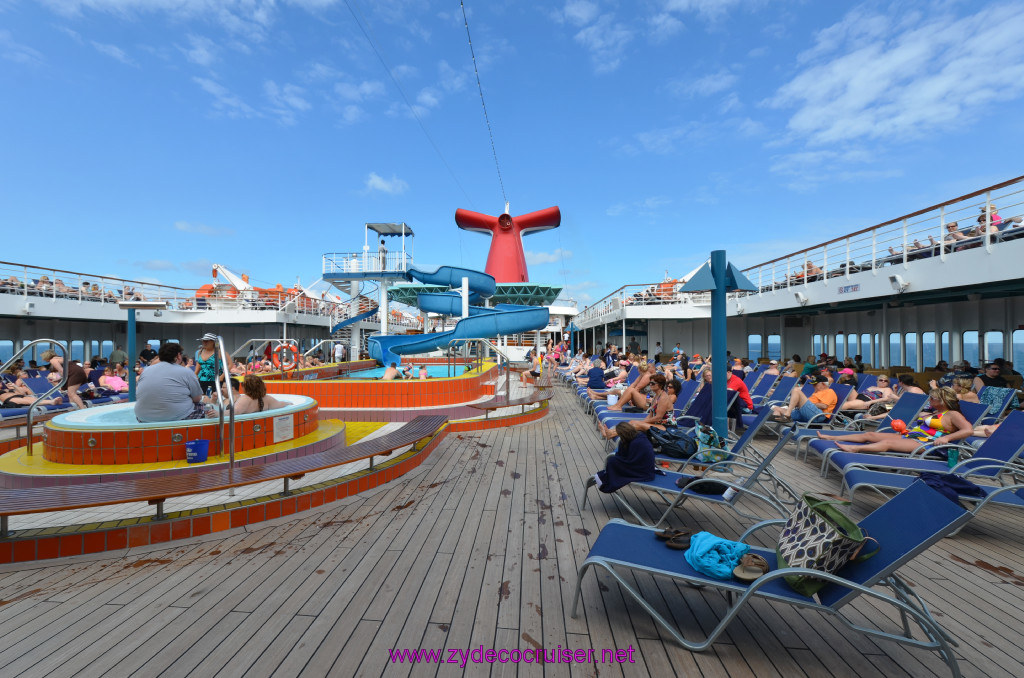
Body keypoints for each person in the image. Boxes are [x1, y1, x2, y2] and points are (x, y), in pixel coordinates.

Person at [817, 387, 973, 454]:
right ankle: (832, 437)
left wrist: (947, 438)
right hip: (912, 435)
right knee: (870, 435)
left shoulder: (953, 414)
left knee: (888, 443)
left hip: (928, 444)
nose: (929, 400)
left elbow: (968, 430)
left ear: (942, 400)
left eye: (932, 398)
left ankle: (855, 449)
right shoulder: (935, 411)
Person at [134, 342, 205, 422]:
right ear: (178, 356)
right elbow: (197, 398)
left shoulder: (146, 371)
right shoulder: (186, 372)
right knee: (209, 408)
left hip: (142, 417)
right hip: (176, 416)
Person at [585, 422, 656, 493]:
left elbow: (632, 461)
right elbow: (624, 455)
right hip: (644, 467)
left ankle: (608, 479)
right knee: (613, 460)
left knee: (612, 461)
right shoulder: (638, 436)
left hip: (644, 472)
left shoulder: (637, 442)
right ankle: (608, 476)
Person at [770, 375, 836, 423]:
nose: (813, 386)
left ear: (823, 384)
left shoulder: (829, 392)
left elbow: (824, 406)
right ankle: (777, 426)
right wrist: (799, 404)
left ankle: (788, 414)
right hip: (806, 412)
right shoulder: (817, 392)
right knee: (776, 408)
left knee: (796, 390)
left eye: (815, 384)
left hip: (818, 415)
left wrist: (804, 404)